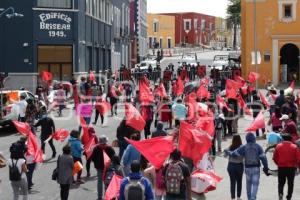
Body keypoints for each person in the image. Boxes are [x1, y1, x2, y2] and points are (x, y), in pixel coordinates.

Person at [226, 133, 269, 200]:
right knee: (255, 184)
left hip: (248, 168)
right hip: (256, 168)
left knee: (248, 184)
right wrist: (265, 167)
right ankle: (253, 197)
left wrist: (228, 152)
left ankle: (249, 198)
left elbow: (234, 154)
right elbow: (263, 158)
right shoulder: (258, 147)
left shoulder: (244, 147)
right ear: (254, 138)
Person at [273, 134, 300, 200]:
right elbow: (298, 159)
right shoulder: (295, 147)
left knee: (281, 183)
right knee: (290, 184)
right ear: (290, 139)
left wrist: (278, 164)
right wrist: (298, 167)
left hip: (281, 168)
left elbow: (274, 158)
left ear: (283, 139)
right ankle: (289, 197)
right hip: (291, 168)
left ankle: (280, 194)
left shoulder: (278, 146)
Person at [224, 135, 244, 200]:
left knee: (232, 182)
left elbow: (225, 155)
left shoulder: (230, 147)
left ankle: (233, 197)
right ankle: (238, 196)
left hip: (231, 166)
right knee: (239, 181)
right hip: (239, 166)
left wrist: (227, 152)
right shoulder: (242, 147)